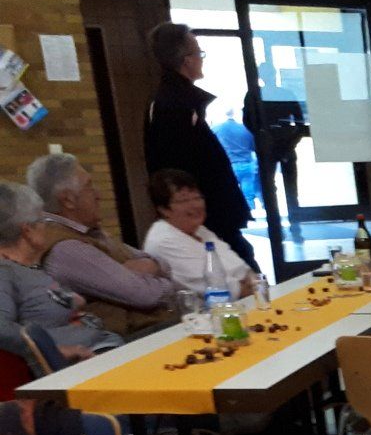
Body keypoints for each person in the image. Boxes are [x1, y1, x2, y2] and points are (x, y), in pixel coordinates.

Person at [142, 22, 257, 273]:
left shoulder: (176, 101)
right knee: (239, 270)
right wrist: (194, 205)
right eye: (199, 53)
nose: (201, 59)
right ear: (187, 60)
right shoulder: (173, 106)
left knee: (242, 265)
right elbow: (178, 168)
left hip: (210, 210)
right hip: (207, 213)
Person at [24, 153, 177, 337]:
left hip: (153, 330)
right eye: (89, 186)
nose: (98, 195)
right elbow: (145, 295)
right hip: (132, 341)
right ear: (68, 200)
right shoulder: (66, 248)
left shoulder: (91, 233)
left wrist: (151, 266)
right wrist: (165, 282)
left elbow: (163, 264)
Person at [0, 182, 123, 364]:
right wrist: (55, 350)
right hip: (89, 360)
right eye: (42, 221)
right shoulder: (5, 272)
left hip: (104, 345)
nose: (48, 227)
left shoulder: (29, 268)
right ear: (28, 231)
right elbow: (1, 328)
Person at [142, 169, 256, 299]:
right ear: (163, 209)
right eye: (184, 200)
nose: (195, 205)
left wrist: (252, 284)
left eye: (197, 198)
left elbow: (244, 270)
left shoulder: (200, 230)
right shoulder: (162, 241)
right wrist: (249, 286)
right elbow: (219, 289)